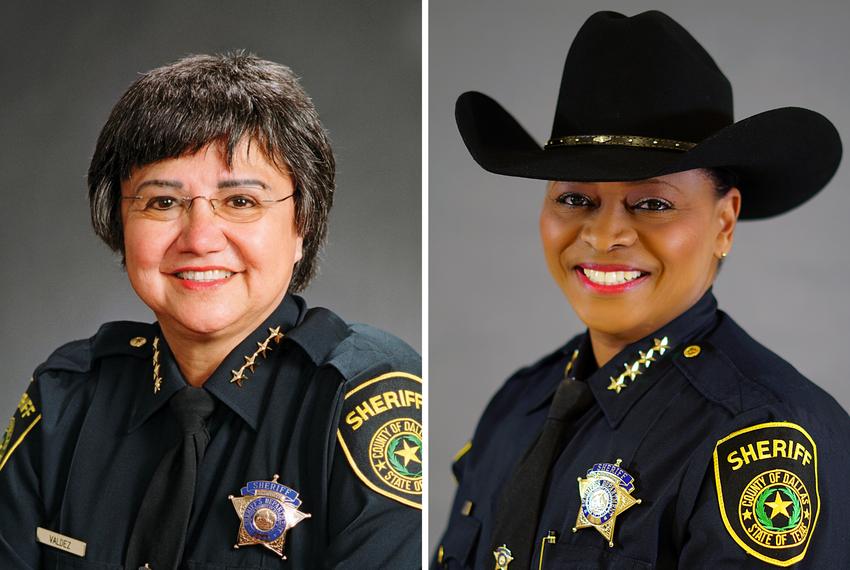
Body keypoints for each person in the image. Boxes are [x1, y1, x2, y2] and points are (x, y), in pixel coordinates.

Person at [433, 10, 849, 569]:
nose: (604, 236)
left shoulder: (763, 437)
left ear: (724, 223)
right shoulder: (518, 408)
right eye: (575, 199)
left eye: (652, 203)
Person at [0, 53, 421, 569]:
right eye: (162, 202)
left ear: (302, 226)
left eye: (240, 201)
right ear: (119, 224)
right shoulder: (67, 398)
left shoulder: (364, 400)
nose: (199, 239)